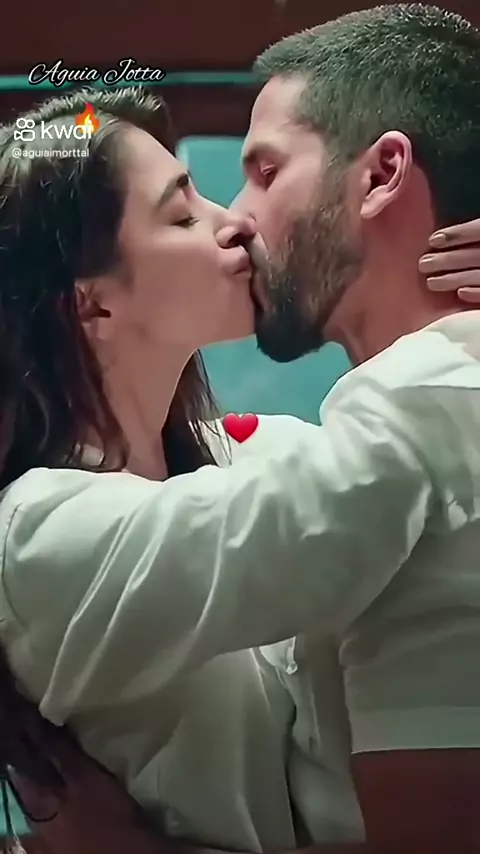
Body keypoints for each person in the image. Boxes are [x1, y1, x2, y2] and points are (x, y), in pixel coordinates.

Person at [2, 3, 480, 851]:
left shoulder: (255, 457)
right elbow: (341, 509)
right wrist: (465, 339)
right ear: (93, 306)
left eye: (257, 175)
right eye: (183, 215)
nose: (236, 221)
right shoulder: (35, 538)